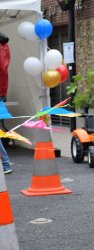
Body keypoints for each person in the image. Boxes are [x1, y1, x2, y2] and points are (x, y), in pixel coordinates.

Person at [0, 32, 12, 174]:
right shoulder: (4, 47)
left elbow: (2, 69)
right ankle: (5, 163)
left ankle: (5, 163)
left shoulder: (1, 48)